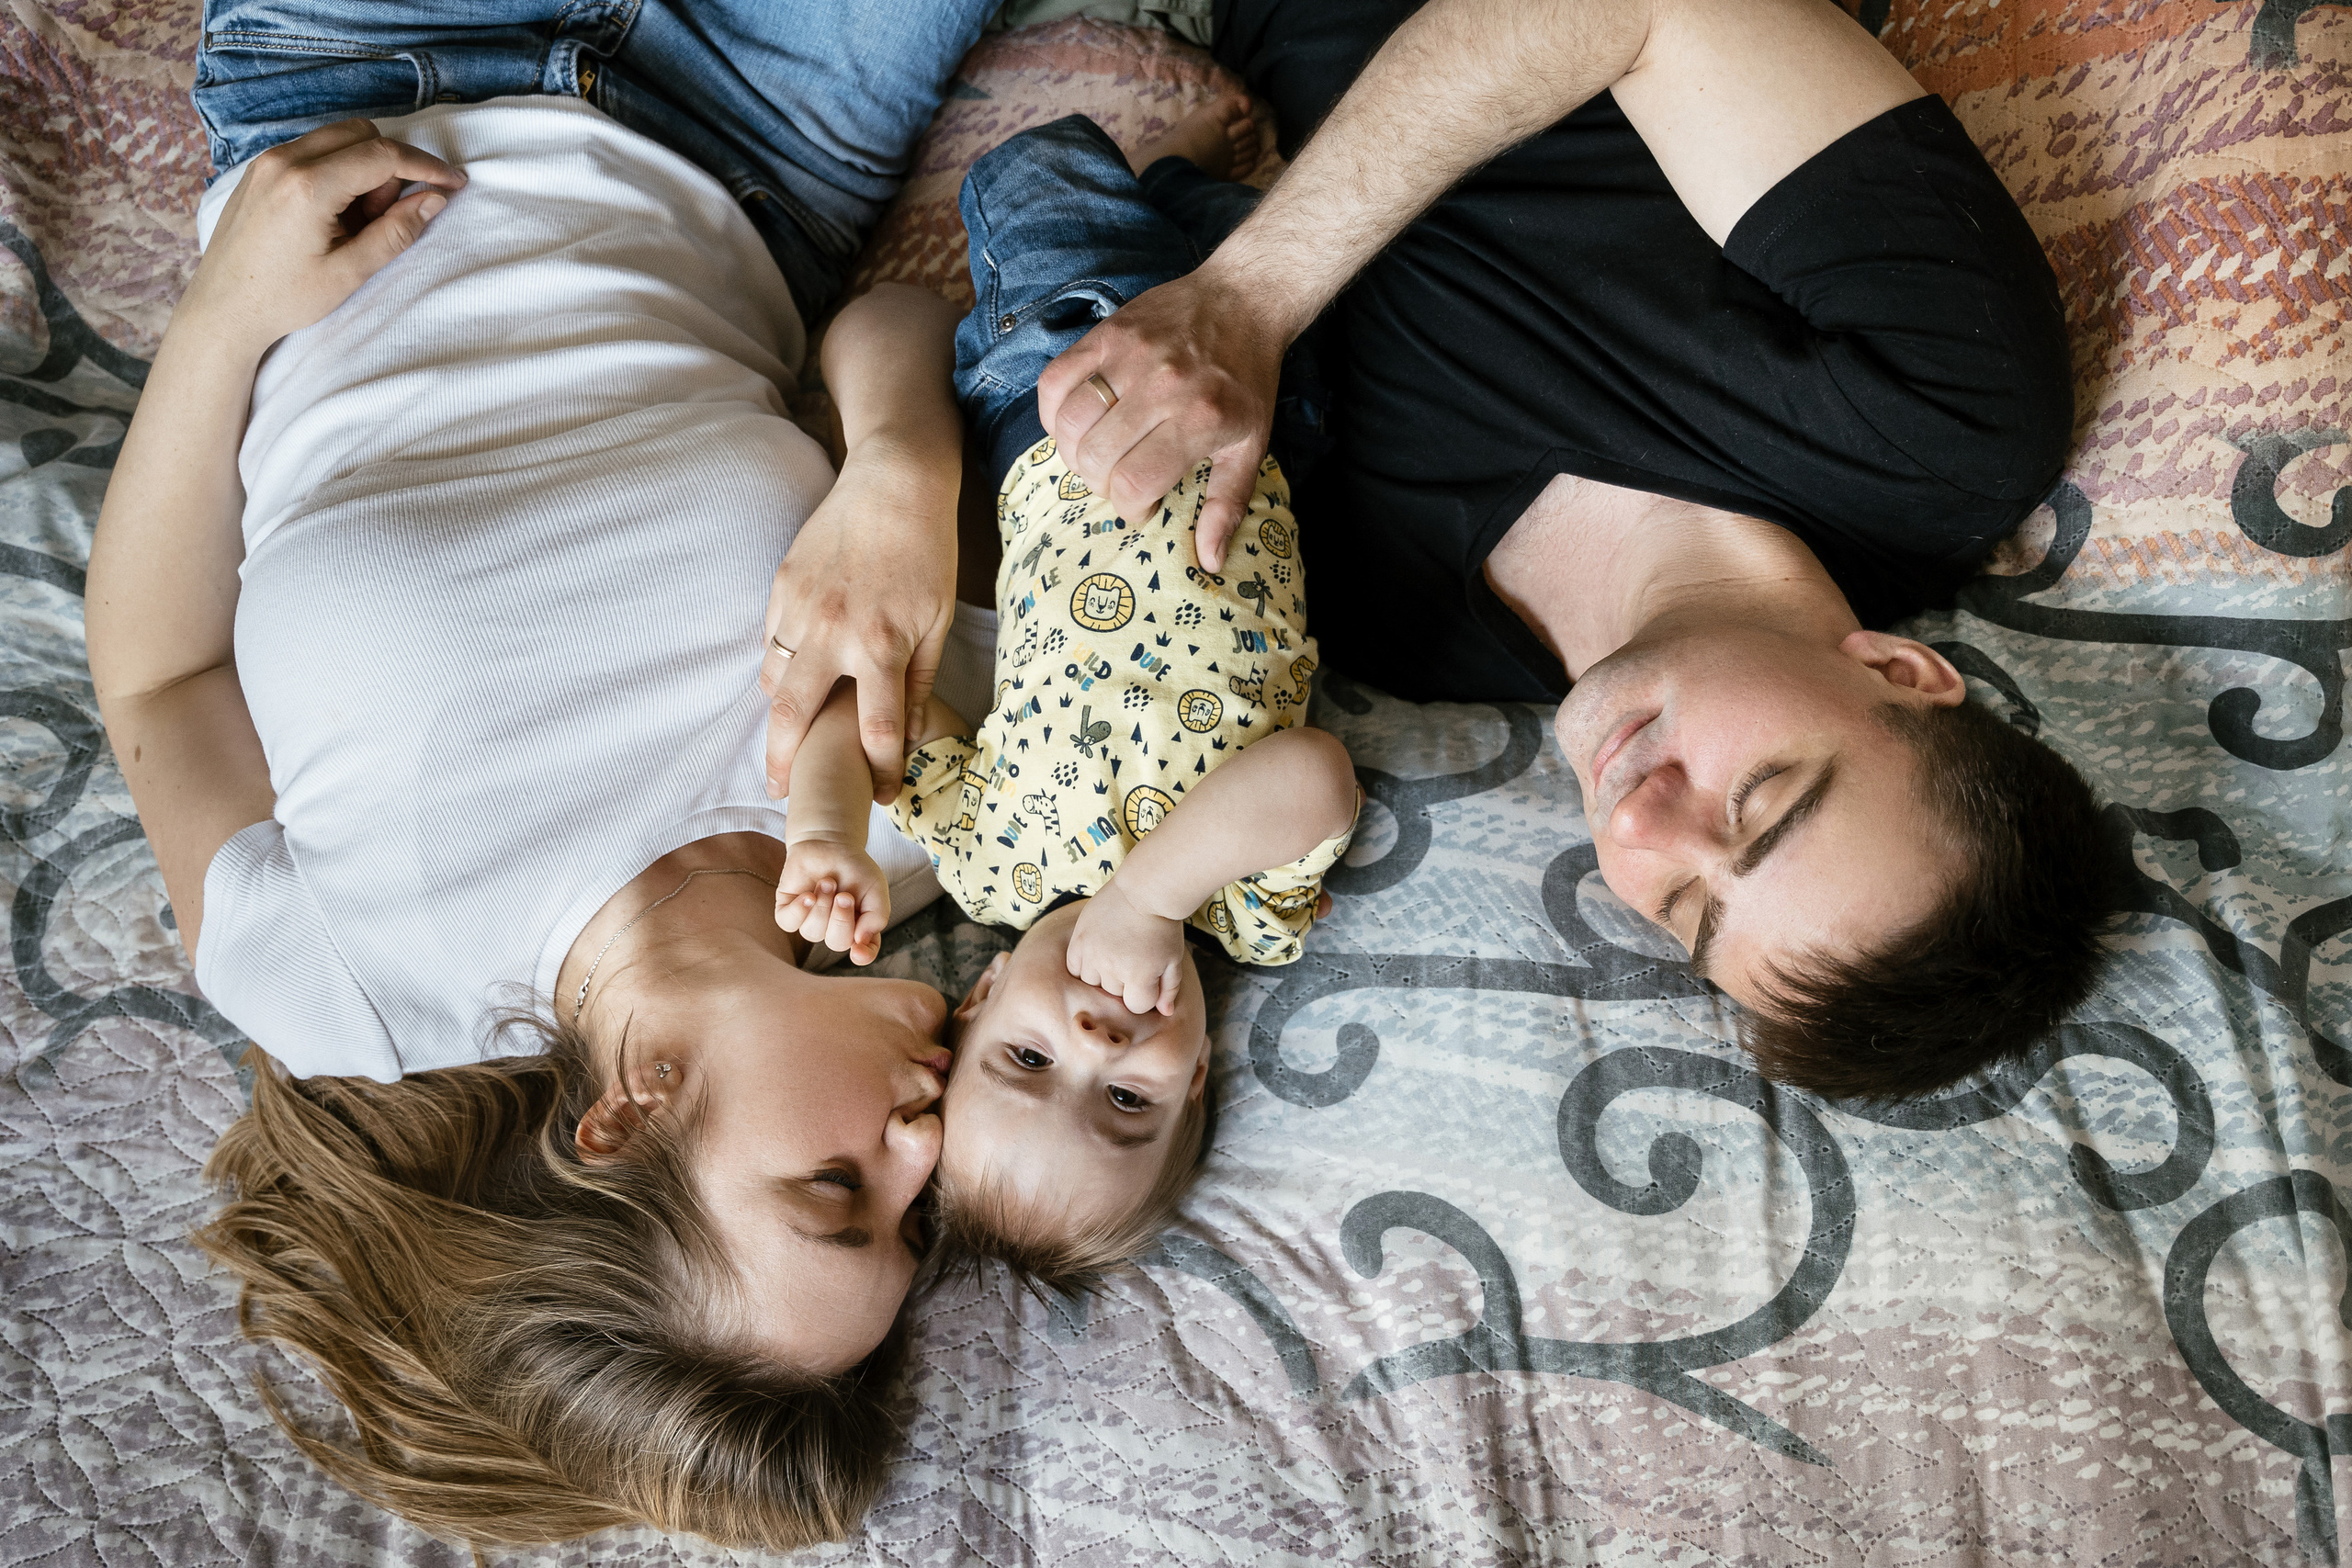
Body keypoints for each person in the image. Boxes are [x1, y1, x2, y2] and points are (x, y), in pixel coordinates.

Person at [88, 0, 1000, 1550]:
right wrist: (902, 469)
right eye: (914, 1217)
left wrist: (226, 313)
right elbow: (893, 339)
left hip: (356, 87)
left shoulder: (352, 991)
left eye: (837, 1191)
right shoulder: (924, 814)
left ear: (625, 1121)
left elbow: (158, 676)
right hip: (759, 135)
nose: (924, 1144)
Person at [1014, 0, 2114, 1099]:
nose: (1639, 820)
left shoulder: (1395, 634)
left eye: (1684, 907)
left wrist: (892, 482)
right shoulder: (1940, 425)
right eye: (1759, 803)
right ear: (1899, 673)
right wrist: (1252, 293)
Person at [774, 106, 1361, 1292]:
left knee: (1044, 174)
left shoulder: (992, 866)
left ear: (982, 995)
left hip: (1062, 405)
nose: (1095, 1044)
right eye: (1129, 1098)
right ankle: (1195, 197)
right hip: (1266, 431)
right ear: (1197, 1072)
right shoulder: (1250, 910)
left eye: (1029, 1058)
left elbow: (862, 718)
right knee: (1244, 226)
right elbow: (1312, 779)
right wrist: (1151, 897)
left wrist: (825, 831)